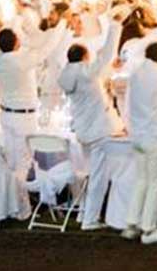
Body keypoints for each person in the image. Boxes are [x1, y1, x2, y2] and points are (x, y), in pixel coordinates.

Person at [58, 14, 122, 230]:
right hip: (98, 132)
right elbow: (106, 55)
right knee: (98, 178)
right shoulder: (86, 73)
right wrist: (114, 26)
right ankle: (90, 219)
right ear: (84, 57)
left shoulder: (67, 74)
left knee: (92, 174)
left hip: (84, 132)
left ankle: (84, 214)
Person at [122, 41, 157, 245]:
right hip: (155, 135)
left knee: (141, 180)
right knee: (154, 182)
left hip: (137, 135)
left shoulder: (137, 72)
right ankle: (149, 229)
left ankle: (131, 224)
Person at [0, 26, 50, 178]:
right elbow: (45, 50)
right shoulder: (21, 61)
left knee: (11, 164)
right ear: (16, 42)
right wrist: (63, 26)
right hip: (23, 119)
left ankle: (10, 199)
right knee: (22, 166)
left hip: (7, 115)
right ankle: (19, 200)